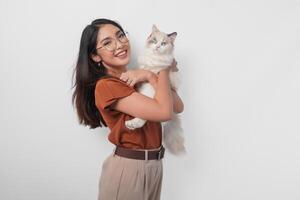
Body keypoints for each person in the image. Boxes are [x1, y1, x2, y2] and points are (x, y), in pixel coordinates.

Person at [71, 18, 184, 200]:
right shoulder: (107, 85)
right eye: (107, 43)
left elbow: (177, 107)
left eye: (121, 36)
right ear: (95, 56)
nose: (119, 44)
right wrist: (161, 68)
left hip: (154, 165)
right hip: (130, 168)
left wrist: (149, 75)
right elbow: (164, 112)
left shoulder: (132, 77)